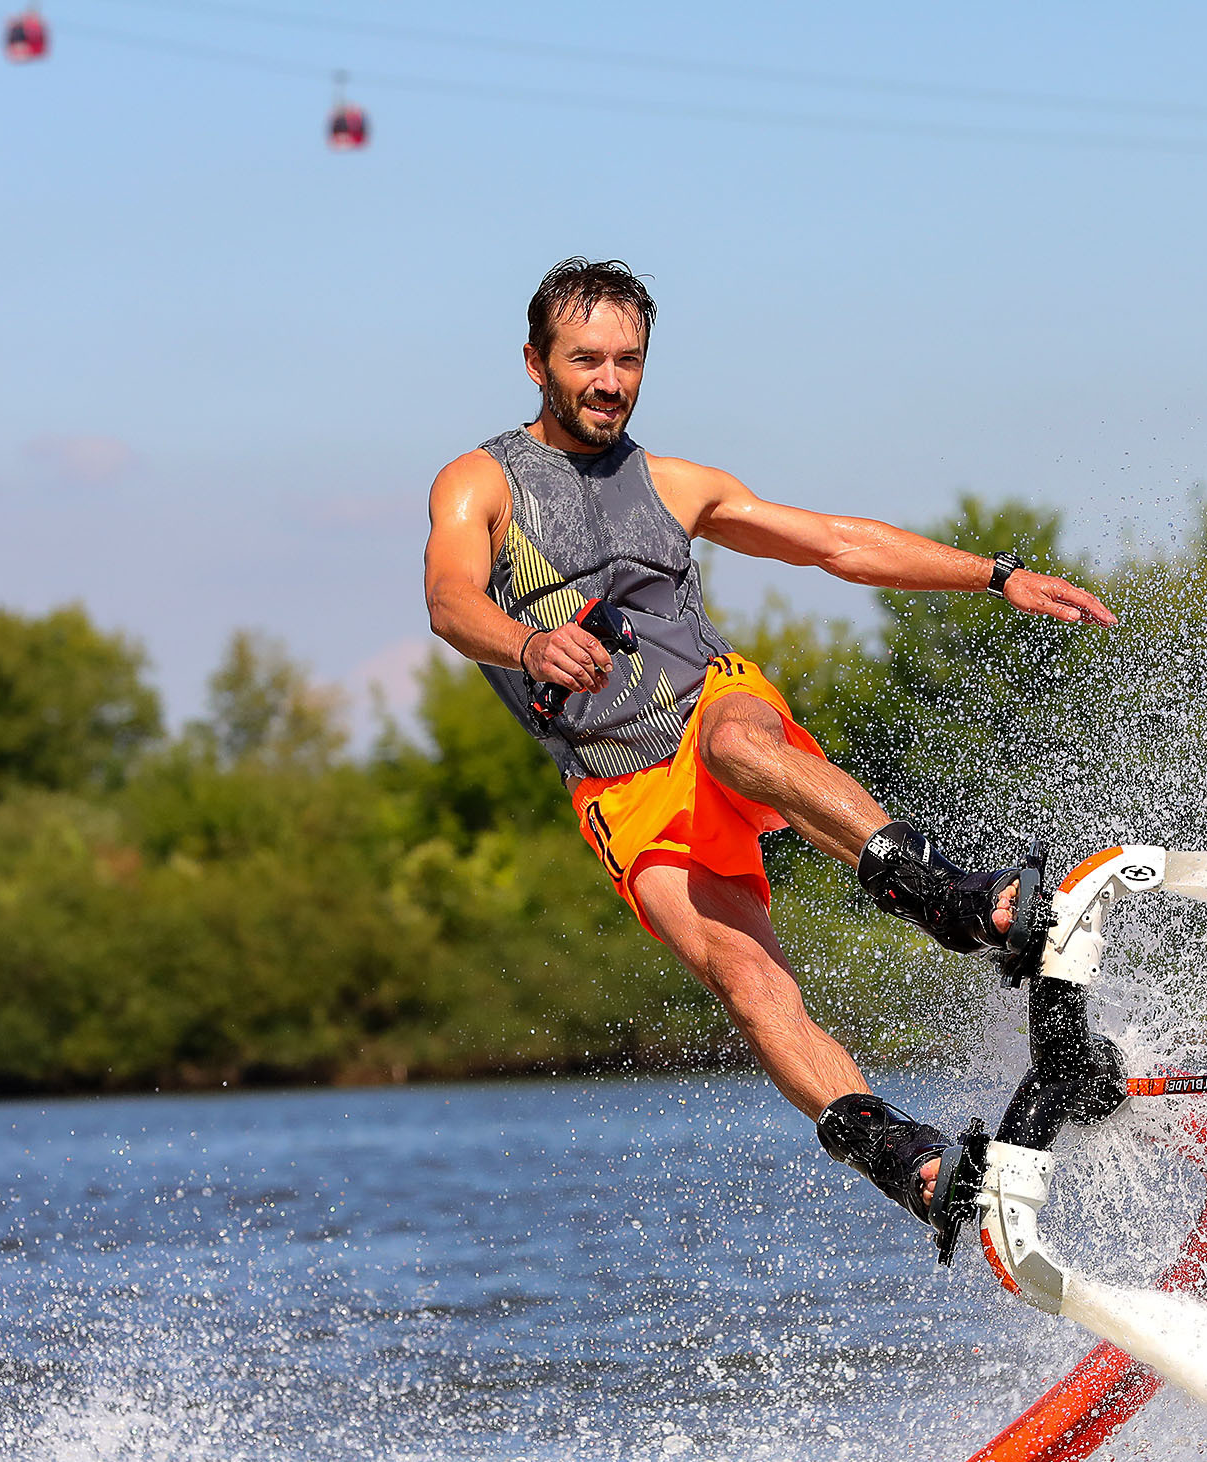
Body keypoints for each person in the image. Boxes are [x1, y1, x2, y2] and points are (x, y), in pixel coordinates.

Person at [423, 258, 1117, 1238]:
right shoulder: (479, 482)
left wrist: (993, 574)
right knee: (750, 985)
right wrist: (529, 641)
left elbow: (834, 543)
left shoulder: (675, 485)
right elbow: (451, 597)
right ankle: (910, 1162)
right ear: (535, 361)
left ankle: (955, 898)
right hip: (617, 785)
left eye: (628, 360)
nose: (609, 379)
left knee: (737, 742)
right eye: (586, 358)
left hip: (711, 702)